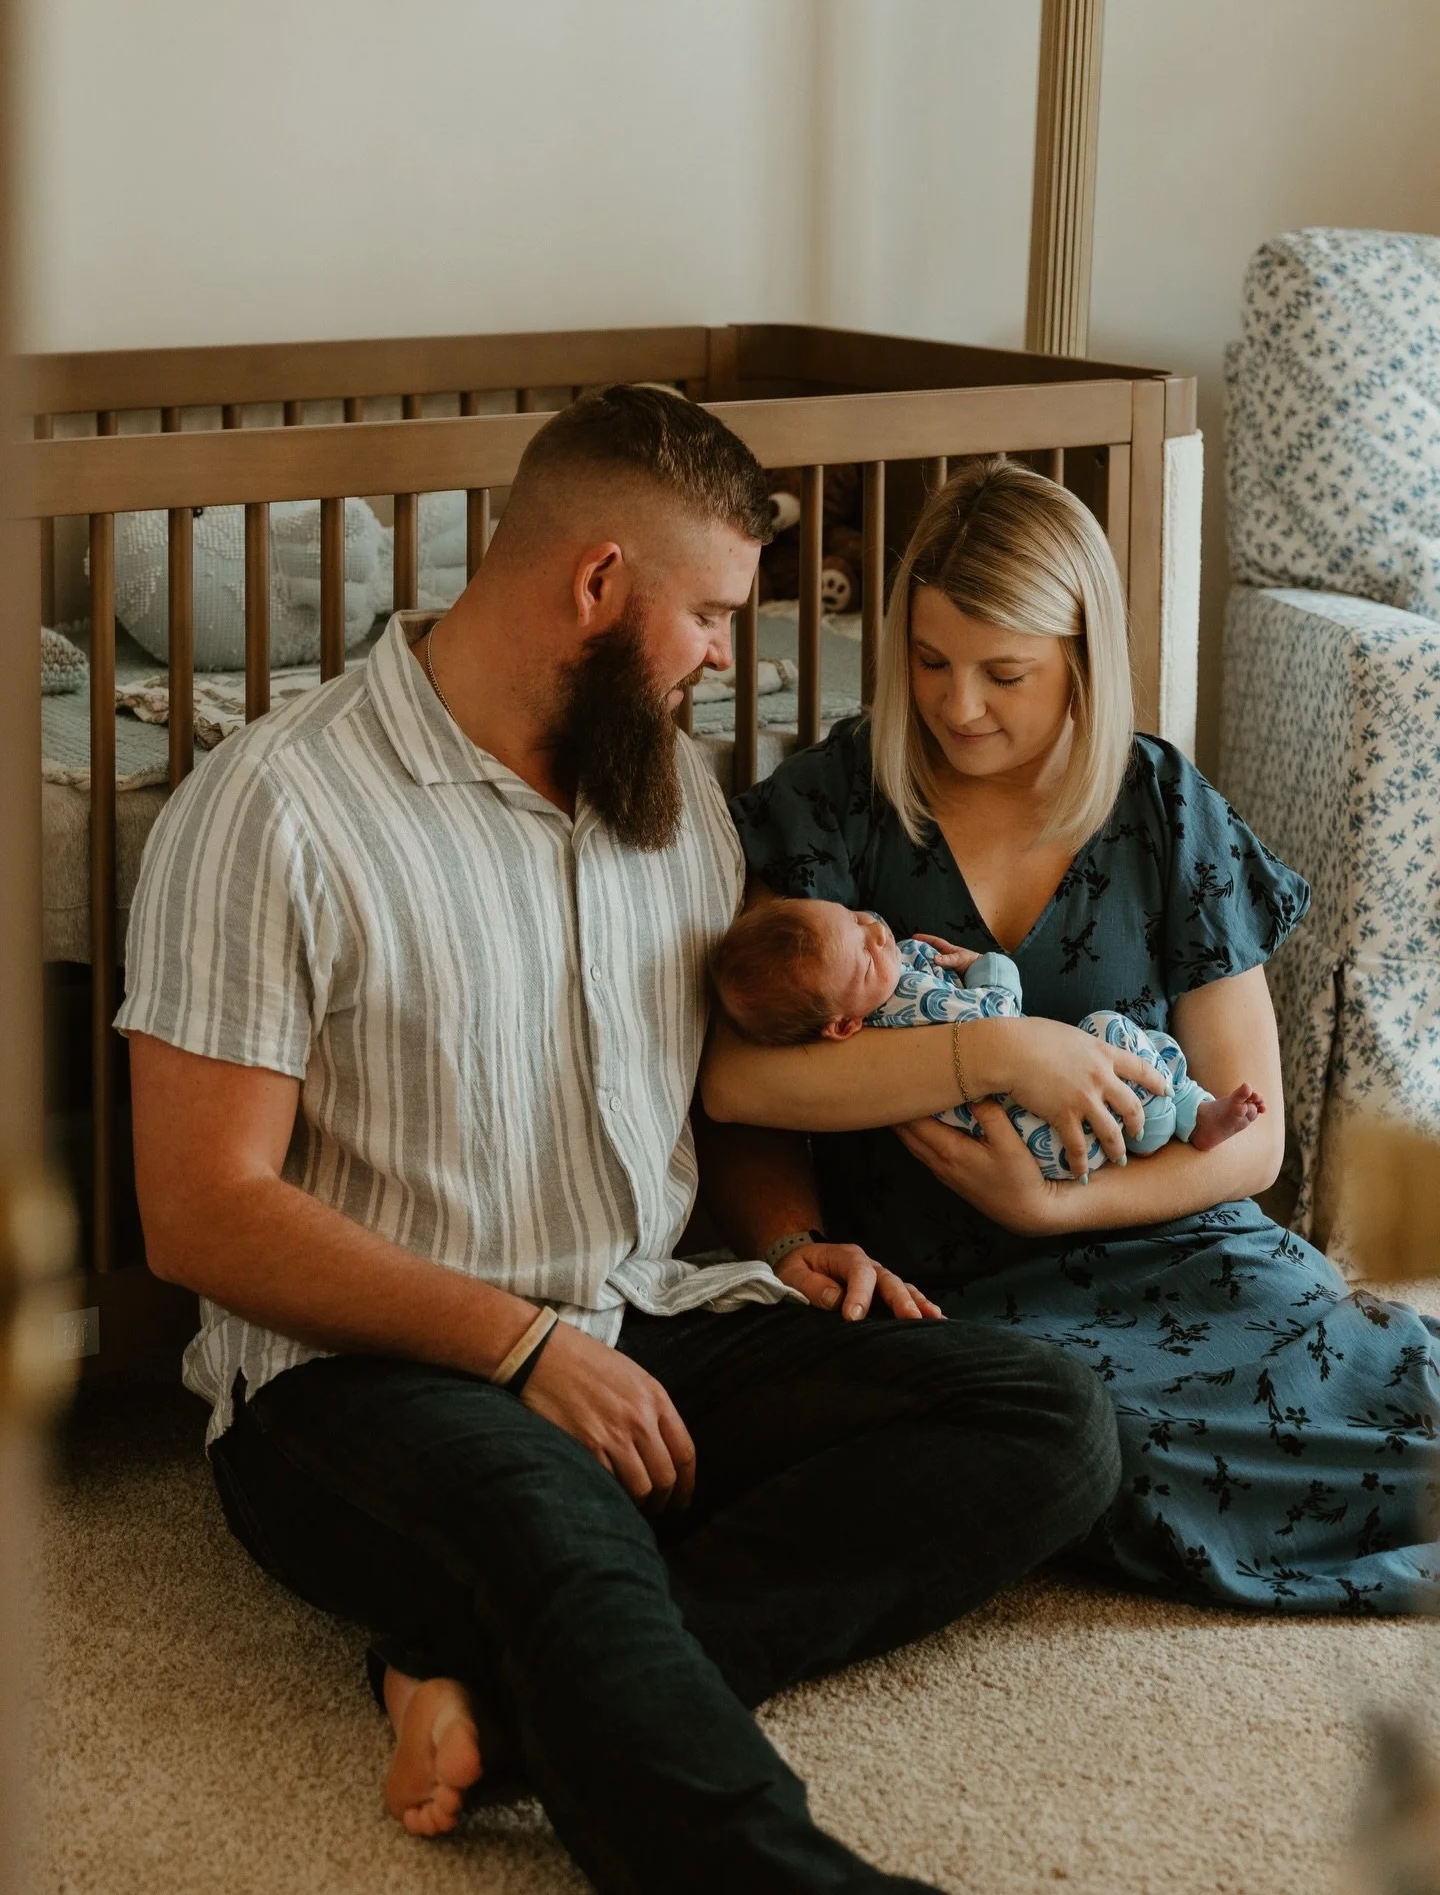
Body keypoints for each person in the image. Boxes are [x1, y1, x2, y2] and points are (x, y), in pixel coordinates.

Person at [119, 391, 1138, 1895]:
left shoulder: (668, 799)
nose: (726, 655)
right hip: (361, 1379)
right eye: (711, 614)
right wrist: (522, 1349)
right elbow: (203, 1213)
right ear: (597, 583)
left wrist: (784, 1241)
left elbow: (709, 1092)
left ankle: (495, 1696)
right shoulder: (273, 809)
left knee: (1050, 1420)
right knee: (564, 1526)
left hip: (641, 1316)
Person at [707, 453, 1440, 1616]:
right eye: (930, 661)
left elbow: (1255, 1145)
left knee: (1378, 1380)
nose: (957, 706)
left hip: (1173, 1240)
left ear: (1083, 659)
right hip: (953, 1287)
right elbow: (737, 1083)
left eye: (1004, 673)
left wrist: (1053, 1207)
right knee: (1094, 1445)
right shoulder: (831, 806)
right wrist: (996, 1054)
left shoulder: (1164, 808)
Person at [709, 899, 1265, 1175]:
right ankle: (1184, 1114)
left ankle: (1172, 1120)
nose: (877, 933)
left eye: (856, 918)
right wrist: (992, 967)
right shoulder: (904, 1002)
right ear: (842, 1026)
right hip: (1039, 1130)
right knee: (1108, 1030)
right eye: (865, 958)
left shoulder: (879, 991)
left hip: (1034, 1131)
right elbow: (1000, 1022)